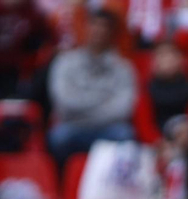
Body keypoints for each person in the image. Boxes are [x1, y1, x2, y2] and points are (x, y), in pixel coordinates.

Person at [47, 9, 136, 172]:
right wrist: (101, 103)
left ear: (112, 33)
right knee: (58, 137)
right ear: (85, 28)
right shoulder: (65, 62)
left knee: (125, 135)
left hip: (108, 129)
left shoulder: (124, 68)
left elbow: (123, 109)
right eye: (94, 25)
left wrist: (84, 109)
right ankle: (63, 187)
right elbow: (64, 103)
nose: (99, 30)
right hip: (73, 127)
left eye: (104, 26)